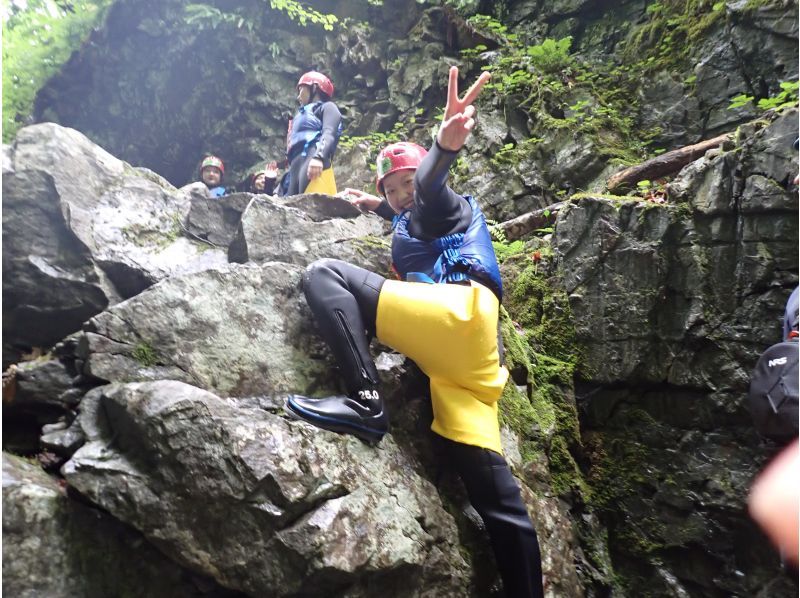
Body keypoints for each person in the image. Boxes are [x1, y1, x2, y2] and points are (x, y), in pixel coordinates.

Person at [286, 66, 544, 598]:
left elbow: (428, 194)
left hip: (459, 314)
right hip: (466, 359)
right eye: (394, 188)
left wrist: (441, 149)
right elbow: (408, 215)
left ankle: (364, 404)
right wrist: (376, 204)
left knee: (324, 274)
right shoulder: (408, 214)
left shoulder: (442, 200)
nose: (404, 194)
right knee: (493, 496)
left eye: (408, 184)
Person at [285, 71, 342, 196]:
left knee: (316, 208)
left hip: (313, 156)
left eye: (301, 90)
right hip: (296, 164)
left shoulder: (327, 107)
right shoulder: (300, 115)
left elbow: (329, 132)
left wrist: (319, 157)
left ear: (314, 88)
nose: (298, 97)